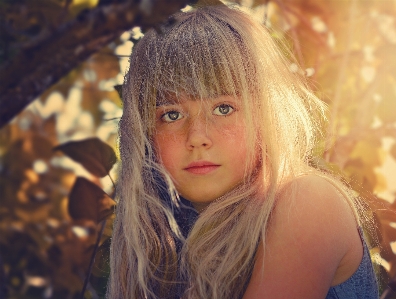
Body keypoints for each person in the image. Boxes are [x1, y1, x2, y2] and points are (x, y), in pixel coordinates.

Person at [107, 2, 379, 298]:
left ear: (265, 115)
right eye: (171, 114)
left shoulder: (308, 200)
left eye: (224, 108)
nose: (197, 137)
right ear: (146, 133)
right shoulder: (159, 242)